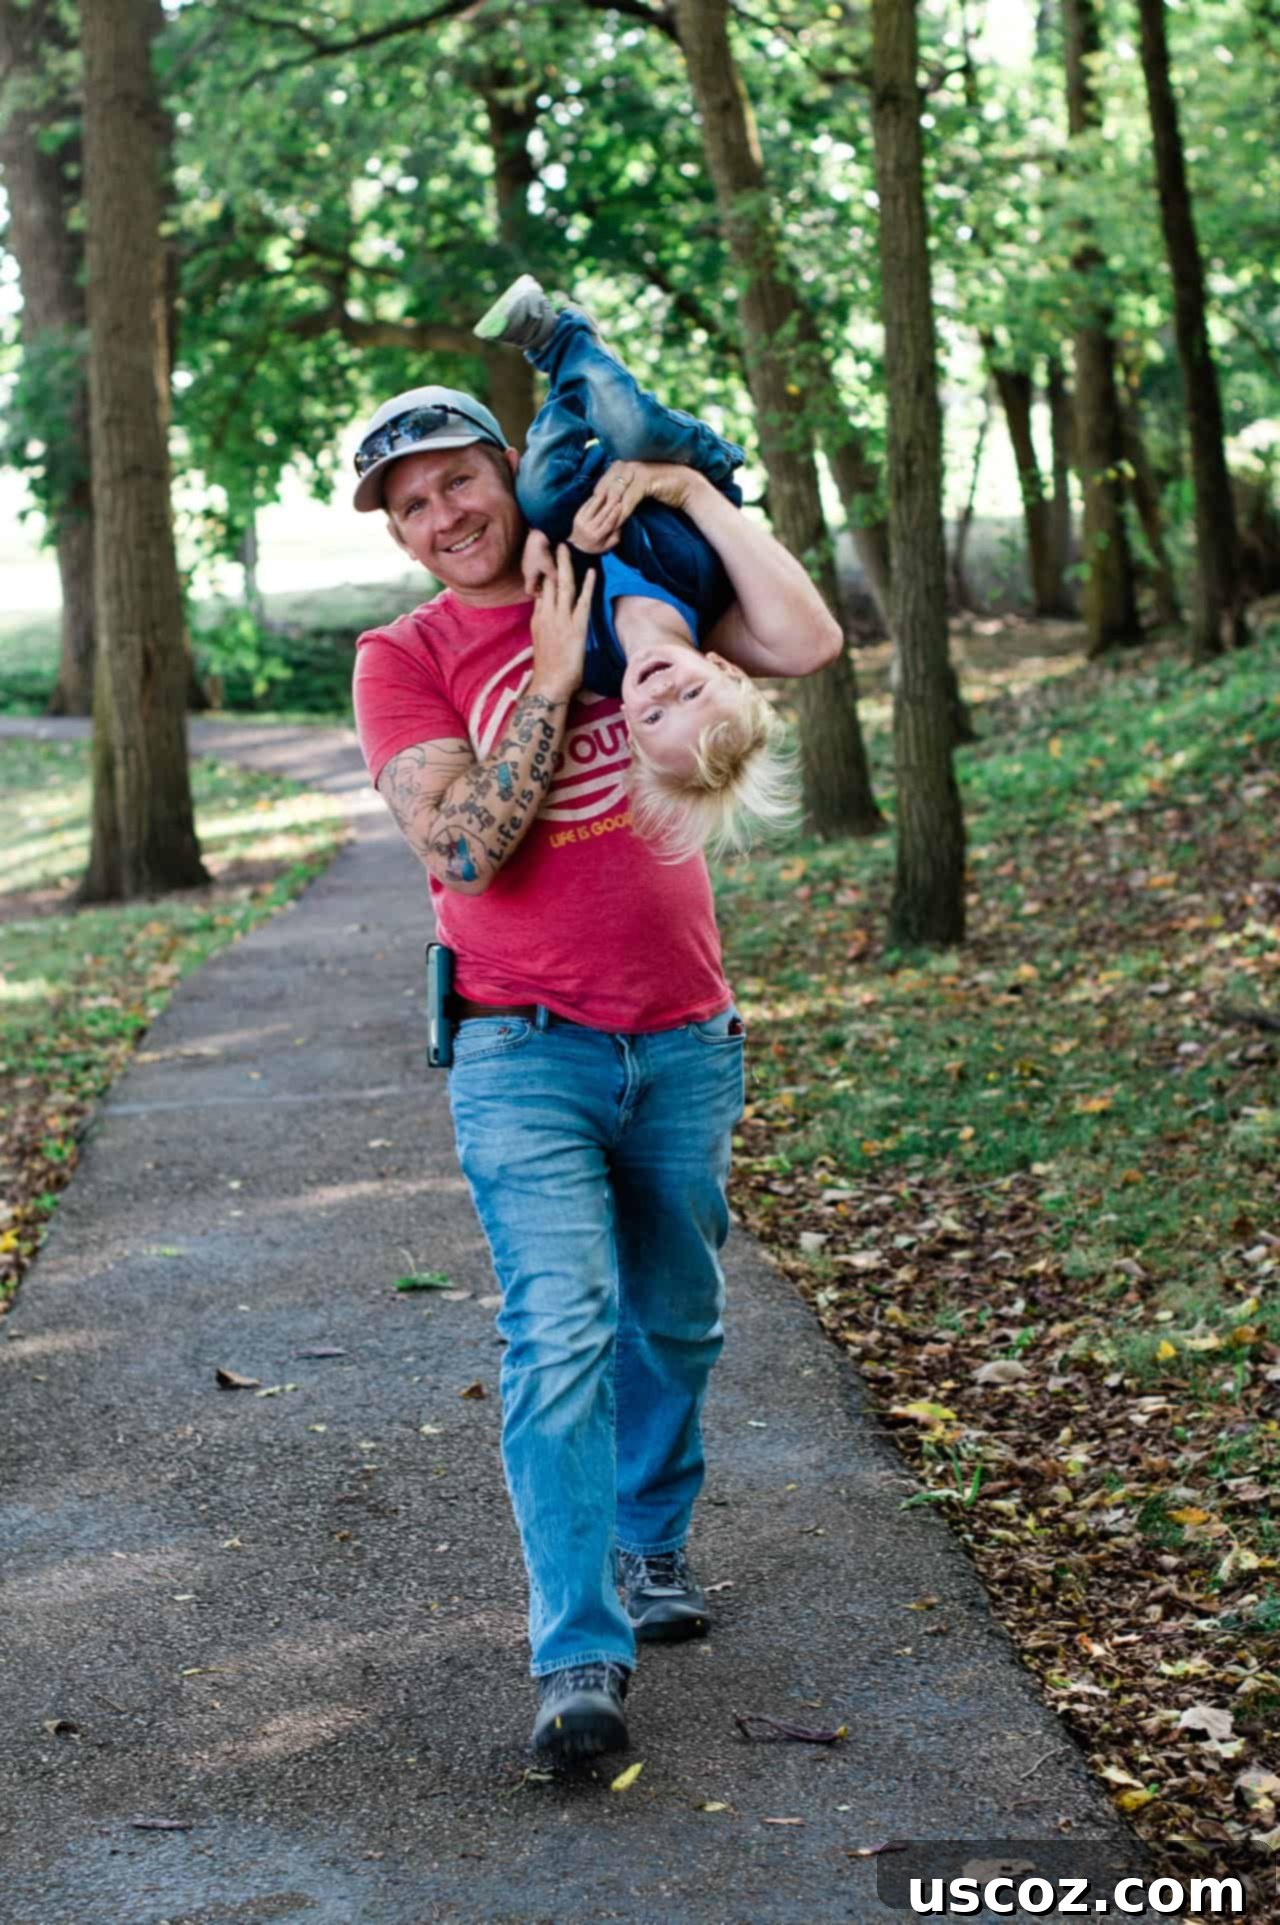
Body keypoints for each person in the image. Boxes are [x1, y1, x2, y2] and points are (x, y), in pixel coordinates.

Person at [350, 371, 841, 1763]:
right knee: (557, 1330)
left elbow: (804, 642)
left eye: (456, 479)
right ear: (395, 532)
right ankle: (577, 1656)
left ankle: (650, 1541)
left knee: (676, 1319)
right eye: (410, 503)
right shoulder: (407, 657)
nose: (442, 514)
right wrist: (557, 686)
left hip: (685, 1039)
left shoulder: (624, 563)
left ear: (508, 470)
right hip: (520, 1049)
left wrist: (686, 486)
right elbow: (460, 850)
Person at [476, 275, 794, 862]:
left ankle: (568, 363)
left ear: (626, 721)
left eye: (654, 715)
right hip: (678, 466)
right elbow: (699, 506)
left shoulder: (592, 658)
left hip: (585, 491)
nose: (665, 689)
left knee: (539, 492)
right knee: (631, 427)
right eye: (694, 691)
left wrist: (559, 537)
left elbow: (564, 561)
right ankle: (559, 337)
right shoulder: (703, 585)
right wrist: (661, 482)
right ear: (723, 665)